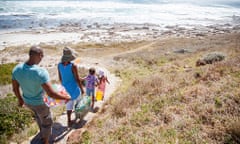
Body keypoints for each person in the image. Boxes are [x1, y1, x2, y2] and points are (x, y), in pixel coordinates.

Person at [12, 46, 71, 144]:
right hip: (40, 103)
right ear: (40, 55)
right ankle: (46, 141)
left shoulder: (17, 69)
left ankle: (42, 133)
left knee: (38, 117)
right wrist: (66, 97)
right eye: (42, 56)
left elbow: (15, 88)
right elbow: (51, 93)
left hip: (27, 101)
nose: (42, 58)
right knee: (47, 123)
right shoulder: (40, 72)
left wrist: (20, 100)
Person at [58, 47, 85, 127]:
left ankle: (69, 121)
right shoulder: (73, 66)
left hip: (66, 90)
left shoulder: (59, 65)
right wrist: (82, 89)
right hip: (74, 89)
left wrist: (63, 87)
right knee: (78, 103)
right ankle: (78, 116)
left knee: (69, 106)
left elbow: (60, 78)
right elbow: (77, 79)